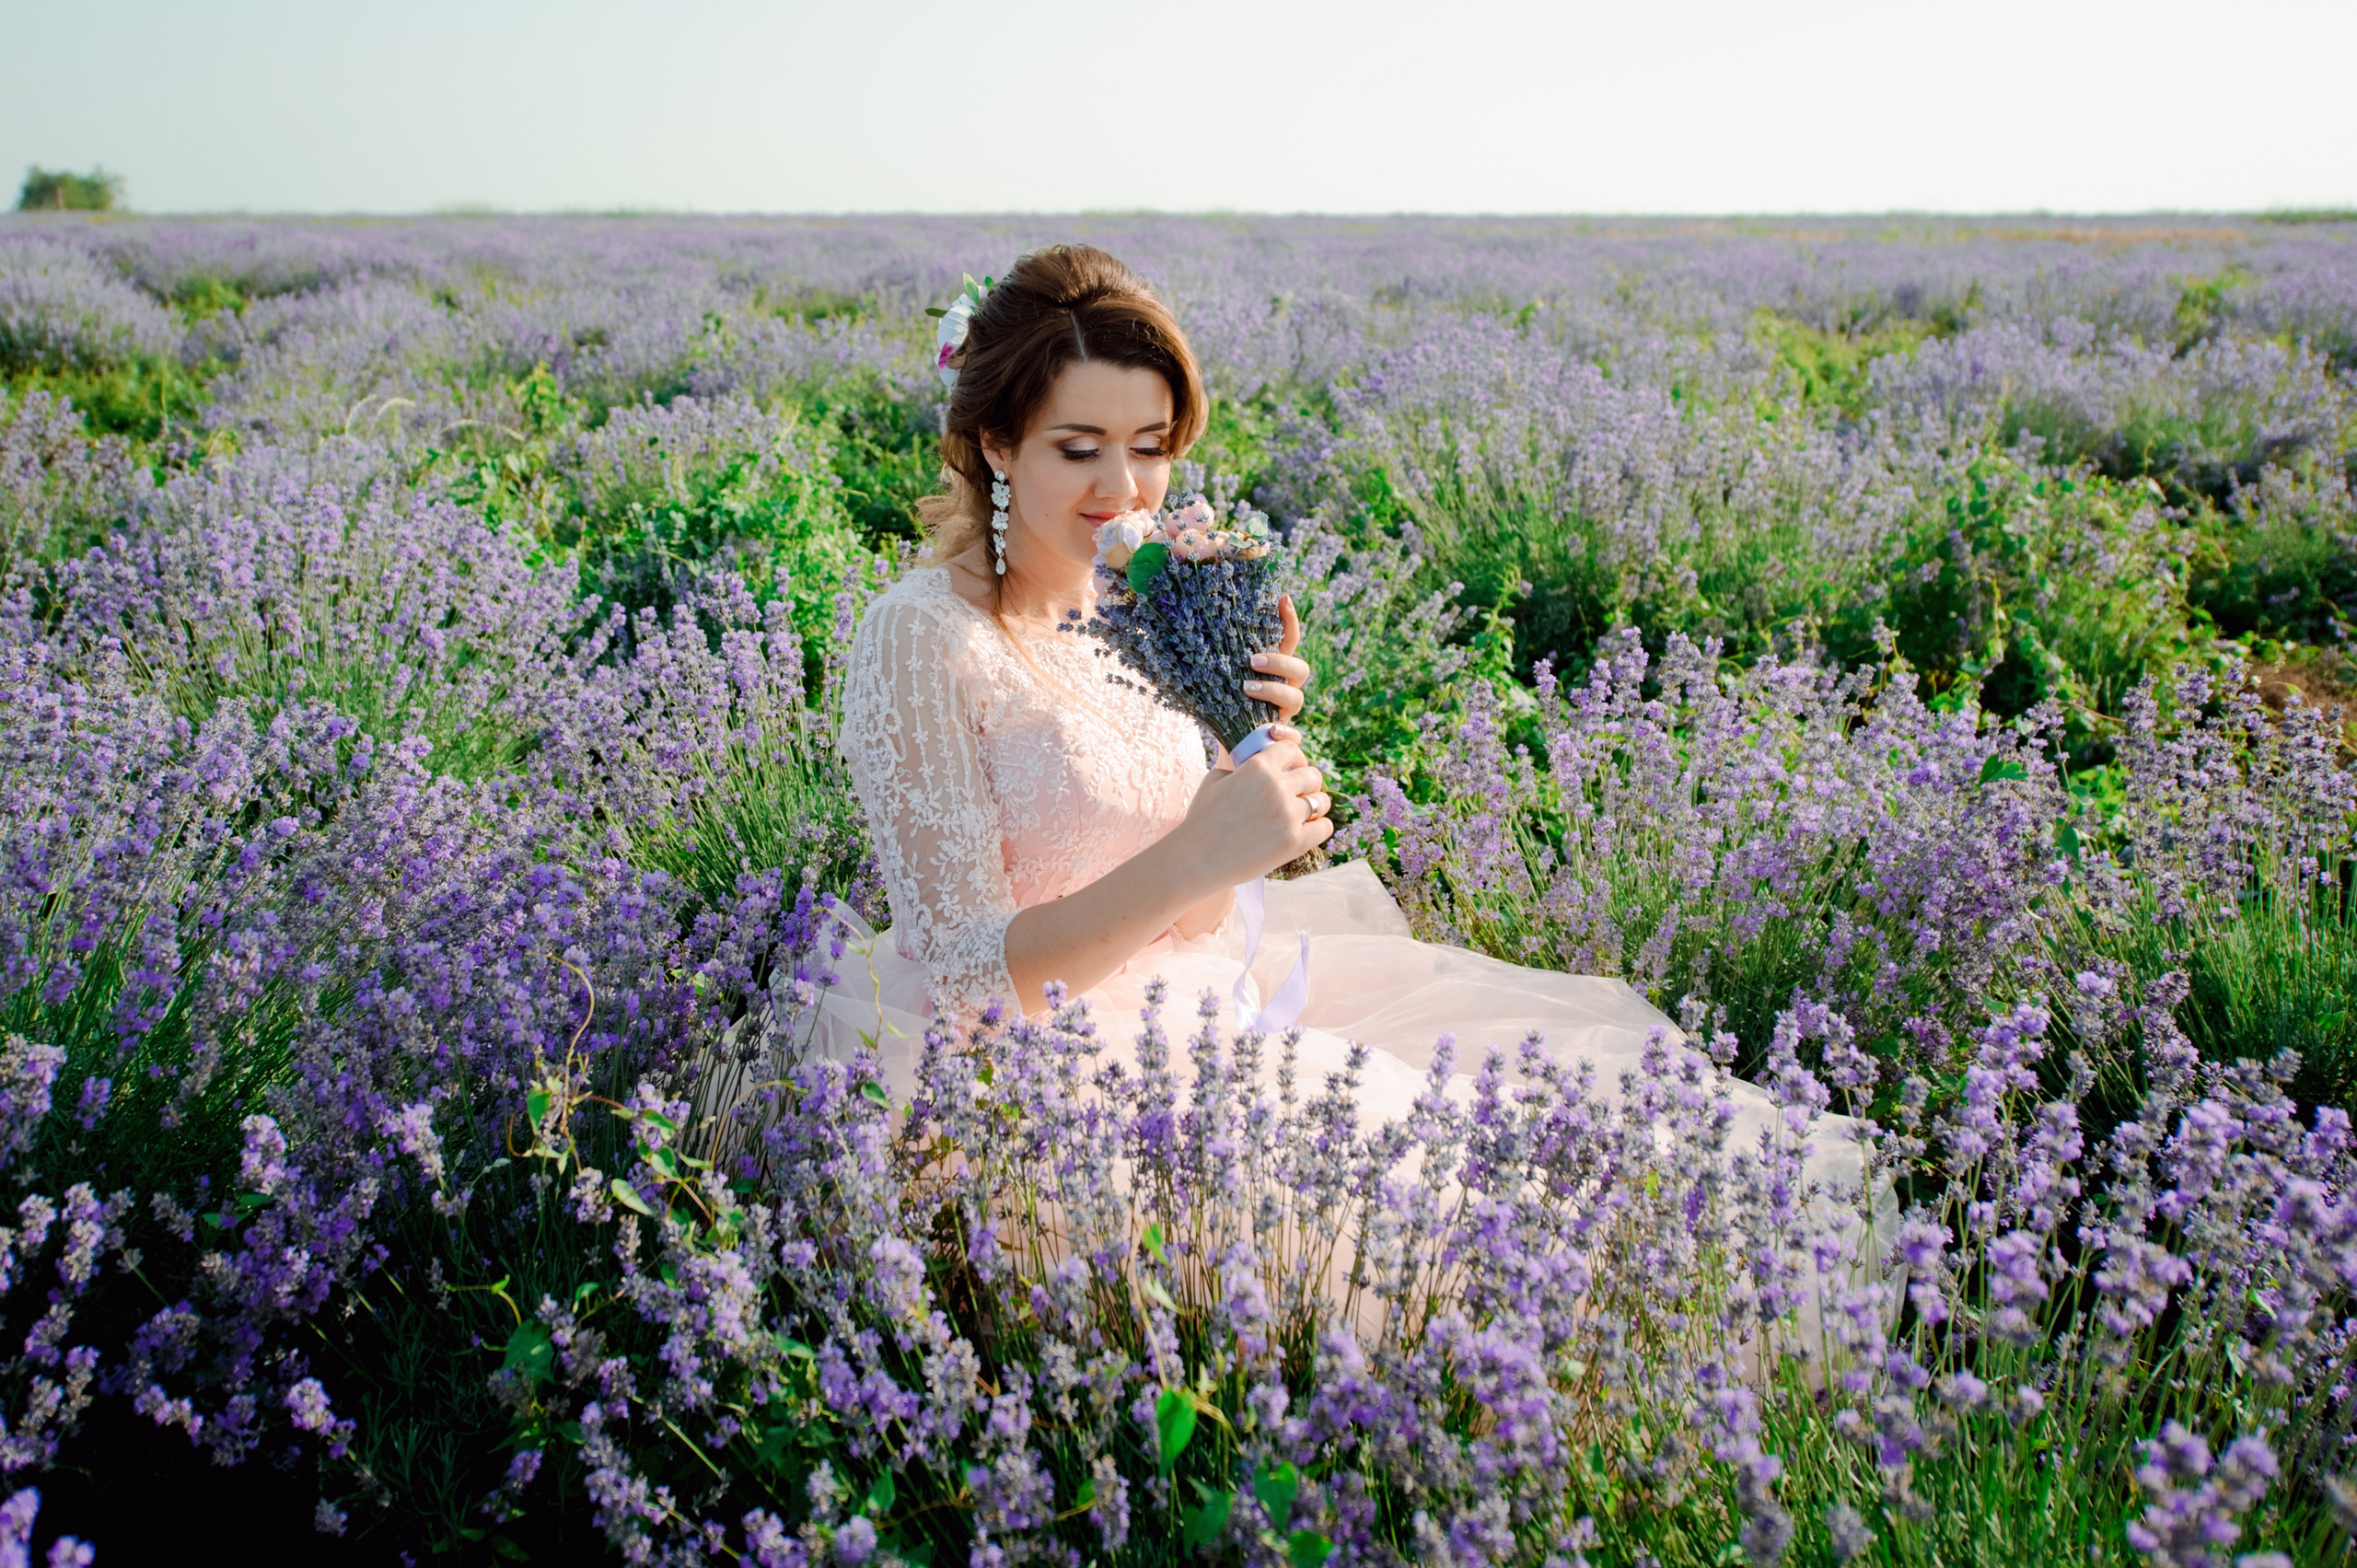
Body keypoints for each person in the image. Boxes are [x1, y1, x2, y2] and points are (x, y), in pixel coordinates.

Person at [818, 247, 1880, 1269]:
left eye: (1150, 443)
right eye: (1077, 445)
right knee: (1440, 1220)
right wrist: (1197, 853)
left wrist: (1245, 767)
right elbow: (966, 979)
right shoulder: (923, 636)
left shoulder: (1144, 606)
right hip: (1029, 1080)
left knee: (1574, 1148)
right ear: (999, 444)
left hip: (1199, 1004)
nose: (1126, 488)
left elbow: (1195, 919)